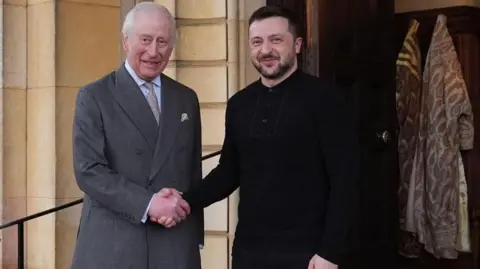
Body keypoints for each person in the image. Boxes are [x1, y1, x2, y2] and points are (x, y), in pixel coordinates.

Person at [152, 4, 360, 269]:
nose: (266, 50)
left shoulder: (326, 100)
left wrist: (330, 251)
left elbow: (346, 181)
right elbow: (228, 173)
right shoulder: (240, 103)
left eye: (276, 40)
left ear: (297, 45)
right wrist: (185, 201)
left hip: (308, 253)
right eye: (257, 42)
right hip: (249, 251)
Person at [70, 2, 203, 269]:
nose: (154, 51)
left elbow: (192, 172)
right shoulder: (94, 96)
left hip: (174, 244)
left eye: (162, 41)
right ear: (125, 40)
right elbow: (89, 170)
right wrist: (148, 203)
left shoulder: (186, 98)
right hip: (114, 245)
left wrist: (194, 236)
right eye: (145, 40)